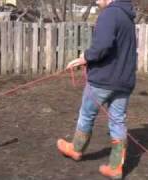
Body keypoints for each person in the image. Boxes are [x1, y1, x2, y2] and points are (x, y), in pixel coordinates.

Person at [56, 0, 137, 179]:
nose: (96, 0)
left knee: (87, 114)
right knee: (118, 121)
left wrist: (85, 56)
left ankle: (76, 149)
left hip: (103, 80)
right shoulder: (128, 17)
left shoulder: (110, 14)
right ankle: (116, 167)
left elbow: (102, 46)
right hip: (124, 81)